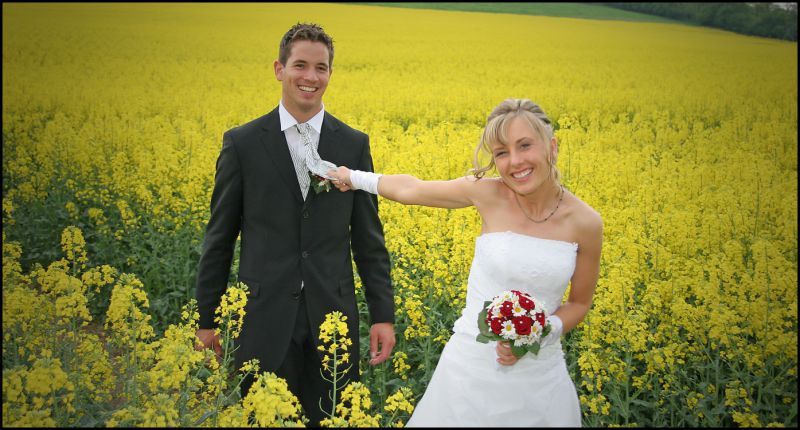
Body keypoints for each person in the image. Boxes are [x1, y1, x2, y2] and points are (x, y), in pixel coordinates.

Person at [329, 98, 602, 426]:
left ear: (552, 147)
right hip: (468, 372)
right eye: (501, 152)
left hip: (541, 381)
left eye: (525, 145)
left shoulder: (586, 222)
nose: (515, 162)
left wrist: (540, 332)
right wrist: (353, 177)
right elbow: (412, 189)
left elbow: (579, 303)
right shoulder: (488, 193)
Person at [194, 22, 395, 426]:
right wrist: (206, 320)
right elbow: (219, 239)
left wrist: (382, 315)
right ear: (279, 69)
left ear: (330, 74)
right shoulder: (243, 143)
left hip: (333, 317)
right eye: (300, 65)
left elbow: (368, 240)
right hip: (262, 316)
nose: (310, 77)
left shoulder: (353, 143)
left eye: (321, 68)